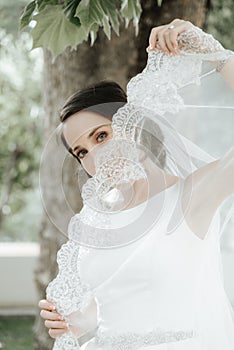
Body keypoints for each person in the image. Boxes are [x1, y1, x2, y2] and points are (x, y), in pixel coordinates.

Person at [38, 18, 234, 349]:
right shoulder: (95, 219)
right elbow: (102, 308)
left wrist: (216, 56)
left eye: (101, 135)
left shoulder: (192, 196)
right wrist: (73, 321)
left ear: (134, 125)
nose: (95, 158)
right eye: (82, 152)